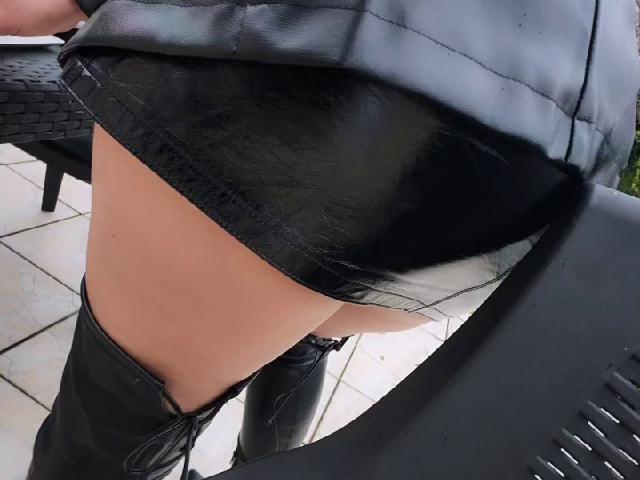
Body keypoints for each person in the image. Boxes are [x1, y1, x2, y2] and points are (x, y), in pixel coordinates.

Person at [2, 1, 638, 479]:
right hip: (547, 166)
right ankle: (253, 465)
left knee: (108, 433)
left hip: (320, 58)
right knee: (305, 328)